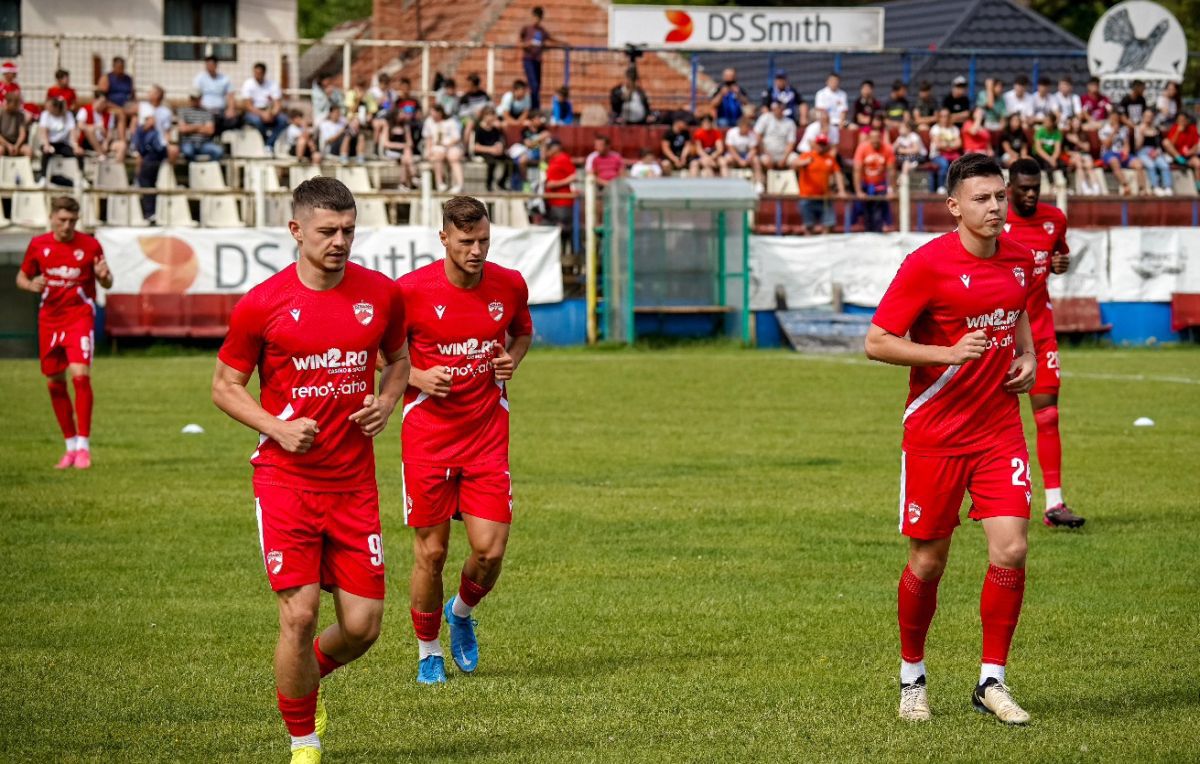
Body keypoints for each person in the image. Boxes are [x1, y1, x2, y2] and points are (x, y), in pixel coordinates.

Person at [212, 177, 410, 764]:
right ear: (296, 230)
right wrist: (276, 427)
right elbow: (225, 386)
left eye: (348, 230)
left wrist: (387, 401)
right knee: (299, 617)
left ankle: (307, 675)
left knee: (364, 627)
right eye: (327, 231)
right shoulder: (263, 303)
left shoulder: (381, 295)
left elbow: (399, 360)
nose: (340, 241)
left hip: (353, 485)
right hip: (286, 482)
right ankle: (304, 742)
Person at [865, 153, 1038, 726]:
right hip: (935, 434)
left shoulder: (1019, 259)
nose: (996, 207)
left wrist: (1028, 355)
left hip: (999, 429)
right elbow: (877, 341)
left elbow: (1017, 310)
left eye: (1000, 196)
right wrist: (947, 352)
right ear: (954, 206)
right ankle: (912, 677)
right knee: (928, 560)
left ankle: (992, 681)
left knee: (1011, 548)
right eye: (982, 199)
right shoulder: (927, 264)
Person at [395, 195, 533, 685]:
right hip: (428, 439)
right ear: (444, 238)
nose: (476, 251)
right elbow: (380, 354)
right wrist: (417, 376)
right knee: (431, 554)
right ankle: (428, 651)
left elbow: (522, 333)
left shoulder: (509, 284)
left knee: (489, 551)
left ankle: (461, 612)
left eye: (484, 241)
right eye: (466, 241)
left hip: (486, 435)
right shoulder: (410, 291)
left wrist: (512, 359)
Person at [1003, 158, 1085, 528]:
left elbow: (1057, 254)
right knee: (988, 419)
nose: (1031, 195)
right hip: (999, 333)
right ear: (1010, 189)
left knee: (1048, 414)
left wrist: (1059, 263)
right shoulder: (995, 220)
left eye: (1036, 188)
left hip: (1040, 330)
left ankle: (1054, 504)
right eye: (1024, 189)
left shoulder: (1054, 219)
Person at [17, 196, 112, 470]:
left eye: (72, 220)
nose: (67, 226)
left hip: (78, 317)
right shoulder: (38, 245)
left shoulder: (90, 245)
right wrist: (30, 284)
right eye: (62, 220)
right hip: (49, 319)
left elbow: (107, 281)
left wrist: (103, 276)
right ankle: (69, 447)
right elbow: (22, 277)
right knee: (54, 382)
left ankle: (83, 447)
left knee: (80, 376)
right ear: (51, 218)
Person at [795, 134, 844, 235]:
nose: (821, 146)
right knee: (808, 226)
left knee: (829, 225)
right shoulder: (807, 155)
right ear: (815, 144)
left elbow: (838, 174)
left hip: (824, 197)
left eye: (823, 144)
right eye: (819, 144)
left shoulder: (830, 158)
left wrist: (841, 190)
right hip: (807, 197)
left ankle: (825, 243)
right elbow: (794, 164)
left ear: (827, 146)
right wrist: (804, 162)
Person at [852, 127, 895, 232]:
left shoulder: (888, 149)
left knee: (878, 213)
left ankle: (881, 227)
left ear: (881, 138)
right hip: (865, 183)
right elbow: (857, 170)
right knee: (864, 211)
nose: (875, 141)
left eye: (877, 138)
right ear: (869, 138)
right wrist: (858, 190)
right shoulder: (862, 148)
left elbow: (891, 171)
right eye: (873, 138)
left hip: (880, 184)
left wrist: (891, 189)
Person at [519, 6, 561, 110]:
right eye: (535, 17)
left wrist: (564, 43)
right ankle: (534, 108)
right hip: (528, 59)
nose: (536, 20)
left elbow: (551, 39)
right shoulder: (526, 29)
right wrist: (529, 44)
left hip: (537, 60)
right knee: (533, 84)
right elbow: (520, 44)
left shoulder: (542, 31)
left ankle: (535, 107)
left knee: (537, 85)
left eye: (538, 18)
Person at [242, 62, 288, 151]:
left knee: (283, 120)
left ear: (264, 73)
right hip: (254, 112)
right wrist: (262, 114)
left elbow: (277, 104)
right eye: (255, 73)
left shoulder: (273, 84)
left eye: (259, 73)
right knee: (257, 121)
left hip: (269, 111)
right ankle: (265, 140)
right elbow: (248, 105)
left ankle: (269, 144)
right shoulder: (248, 84)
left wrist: (272, 114)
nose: (257, 75)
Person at [37, 96, 83, 181]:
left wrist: (76, 146)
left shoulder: (68, 115)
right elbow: (44, 132)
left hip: (62, 144)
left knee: (78, 153)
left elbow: (72, 133)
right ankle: (43, 177)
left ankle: (81, 177)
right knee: (46, 153)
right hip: (49, 143)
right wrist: (47, 145)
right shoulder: (45, 114)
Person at [1099, 110, 1143, 196]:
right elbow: (1106, 145)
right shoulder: (1103, 129)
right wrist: (1113, 132)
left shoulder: (1123, 129)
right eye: (1113, 118)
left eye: (1117, 118)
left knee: (1138, 164)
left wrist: (1125, 153)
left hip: (1121, 153)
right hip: (1108, 153)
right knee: (1114, 161)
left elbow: (1126, 144)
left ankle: (1142, 189)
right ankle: (1126, 186)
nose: (1115, 120)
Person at [424, 103, 465, 193]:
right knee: (437, 155)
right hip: (437, 147)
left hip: (452, 145)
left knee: (453, 157)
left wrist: (446, 145)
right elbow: (428, 138)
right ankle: (440, 183)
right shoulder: (428, 121)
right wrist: (428, 151)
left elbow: (456, 137)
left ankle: (459, 185)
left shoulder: (451, 121)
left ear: (440, 113)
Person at [543, 140, 576, 250]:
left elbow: (573, 176)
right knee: (555, 229)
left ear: (555, 148)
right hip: (553, 201)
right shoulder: (552, 160)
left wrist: (555, 184)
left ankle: (568, 253)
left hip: (563, 201)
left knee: (564, 230)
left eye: (549, 148)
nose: (547, 151)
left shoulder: (563, 158)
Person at [470, 107, 512, 191]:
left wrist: (499, 147)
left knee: (509, 161)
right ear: (484, 116)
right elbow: (475, 147)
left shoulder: (495, 129)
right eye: (489, 115)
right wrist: (490, 149)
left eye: (492, 115)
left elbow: (499, 141)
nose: (491, 117)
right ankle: (489, 185)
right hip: (484, 151)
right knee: (492, 162)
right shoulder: (478, 128)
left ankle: (501, 182)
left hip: (494, 151)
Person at [77, 91, 126, 161]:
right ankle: (101, 155)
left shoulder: (108, 114)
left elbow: (110, 132)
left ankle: (117, 165)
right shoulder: (85, 110)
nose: (103, 105)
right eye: (102, 102)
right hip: (88, 143)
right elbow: (80, 125)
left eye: (105, 102)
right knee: (90, 129)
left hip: (103, 142)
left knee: (122, 145)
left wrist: (106, 142)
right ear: (95, 100)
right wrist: (96, 127)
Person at [177, 88, 223, 162]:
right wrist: (200, 127)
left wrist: (190, 127)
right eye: (193, 98)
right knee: (188, 152)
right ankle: (193, 167)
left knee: (218, 151)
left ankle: (208, 167)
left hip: (204, 144)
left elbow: (210, 131)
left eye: (196, 98)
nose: (194, 100)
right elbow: (183, 129)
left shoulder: (207, 112)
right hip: (189, 143)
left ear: (200, 98)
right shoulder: (183, 111)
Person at [194, 54, 237, 132]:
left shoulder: (224, 79)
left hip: (220, 111)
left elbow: (231, 95)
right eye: (208, 65)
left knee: (233, 121)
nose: (209, 67)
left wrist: (230, 109)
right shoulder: (199, 78)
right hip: (205, 110)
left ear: (216, 65)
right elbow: (195, 95)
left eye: (211, 65)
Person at [1135, 108, 1173, 196]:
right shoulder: (1138, 128)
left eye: (1150, 116)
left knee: (1164, 165)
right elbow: (1137, 147)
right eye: (1146, 116)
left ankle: (1167, 186)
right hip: (1142, 152)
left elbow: (1160, 145)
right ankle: (1155, 186)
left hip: (1155, 152)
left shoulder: (1156, 129)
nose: (1148, 118)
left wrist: (1157, 152)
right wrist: (1141, 134)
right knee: (1151, 165)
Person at [1063, 116, 1102, 195]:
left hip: (1084, 155)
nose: (1076, 124)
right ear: (1071, 124)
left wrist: (1077, 141)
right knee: (1079, 163)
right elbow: (1065, 151)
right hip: (1073, 156)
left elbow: (1087, 148)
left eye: (1078, 122)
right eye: (1074, 122)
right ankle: (1085, 188)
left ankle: (1096, 188)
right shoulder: (1067, 135)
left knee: (1089, 166)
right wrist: (1075, 154)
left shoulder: (1083, 134)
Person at [724, 115, 763, 192]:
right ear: (740, 126)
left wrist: (747, 159)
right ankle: (726, 183)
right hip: (734, 155)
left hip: (746, 155)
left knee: (756, 160)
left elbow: (753, 150)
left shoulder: (751, 134)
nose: (747, 129)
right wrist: (739, 160)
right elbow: (731, 149)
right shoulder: (731, 132)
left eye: (748, 127)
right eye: (745, 127)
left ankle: (759, 183)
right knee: (725, 160)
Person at [755, 100, 797, 172]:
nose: (775, 110)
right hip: (767, 152)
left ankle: (789, 178)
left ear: (782, 109)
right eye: (773, 109)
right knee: (766, 161)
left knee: (797, 160)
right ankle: (769, 178)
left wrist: (784, 158)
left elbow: (791, 142)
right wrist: (765, 152)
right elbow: (757, 135)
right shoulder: (765, 118)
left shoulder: (790, 122)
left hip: (784, 153)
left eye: (777, 108)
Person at [1164, 113, 1200, 194]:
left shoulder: (1192, 128)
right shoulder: (1174, 128)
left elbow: (1196, 145)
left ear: (1187, 121)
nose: (1181, 122)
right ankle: (1180, 159)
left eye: (1183, 120)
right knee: (1166, 142)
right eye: (1179, 120)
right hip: (1176, 156)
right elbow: (1171, 144)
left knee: (1198, 163)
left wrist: (1190, 152)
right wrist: (1178, 132)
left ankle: (1198, 185)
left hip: (1189, 157)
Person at [928, 109, 962, 194]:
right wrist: (951, 145)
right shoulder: (935, 129)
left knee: (960, 164)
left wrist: (946, 145)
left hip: (952, 154)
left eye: (947, 116)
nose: (945, 118)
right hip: (937, 155)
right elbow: (938, 145)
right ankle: (941, 186)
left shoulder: (954, 129)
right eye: (942, 116)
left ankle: (958, 187)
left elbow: (959, 144)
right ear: (939, 118)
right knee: (944, 164)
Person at [1032, 112, 1066, 182]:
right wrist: (1049, 159)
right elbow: (1038, 149)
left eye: (1048, 121)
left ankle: (1066, 183)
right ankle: (1051, 184)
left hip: (1052, 155)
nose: (1045, 122)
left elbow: (1057, 149)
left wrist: (1053, 158)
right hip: (1040, 155)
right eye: (1045, 120)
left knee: (1063, 163)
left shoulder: (1057, 133)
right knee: (1047, 164)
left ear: (1052, 123)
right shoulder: (1040, 131)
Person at [0, 91, 31, 157]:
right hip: (3, 144)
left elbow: (22, 134)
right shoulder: (1, 113)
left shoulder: (20, 115)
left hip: (16, 144)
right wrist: (8, 145)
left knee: (28, 151)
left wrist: (16, 146)